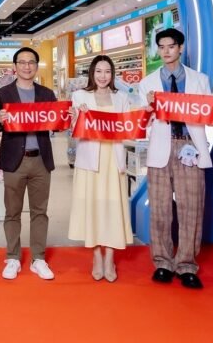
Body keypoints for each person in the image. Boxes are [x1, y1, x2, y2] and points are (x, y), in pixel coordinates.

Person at [139, 28, 211, 289]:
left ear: (181, 48)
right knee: (159, 208)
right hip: (160, 147)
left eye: (171, 46)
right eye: (161, 47)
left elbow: (207, 114)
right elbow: (142, 122)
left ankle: (187, 264)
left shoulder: (200, 80)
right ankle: (162, 262)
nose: (166, 51)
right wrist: (149, 106)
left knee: (191, 207)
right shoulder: (147, 83)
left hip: (190, 146)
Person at [0, 47, 56, 280]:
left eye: (31, 62)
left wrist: (67, 116)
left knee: (40, 212)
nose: (27, 66)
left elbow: (57, 124)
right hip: (14, 160)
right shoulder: (3, 94)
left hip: (41, 160)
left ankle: (39, 258)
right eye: (22, 62)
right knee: (12, 211)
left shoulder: (47, 94)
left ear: (36, 66)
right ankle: (12, 257)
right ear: (14, 66)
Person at [68, 55, 133, 282]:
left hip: (113, 158)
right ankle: (96, 255)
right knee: (92, 206)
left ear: (112, 74)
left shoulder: (122, 98)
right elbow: (74, 130)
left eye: (107, 71)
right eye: (98, 71)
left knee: (113, 206)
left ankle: (110, 257)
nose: (103, 76)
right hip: (90, 159)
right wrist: (76, 117)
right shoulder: (80, 96)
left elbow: (129, 127)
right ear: (92, 73)